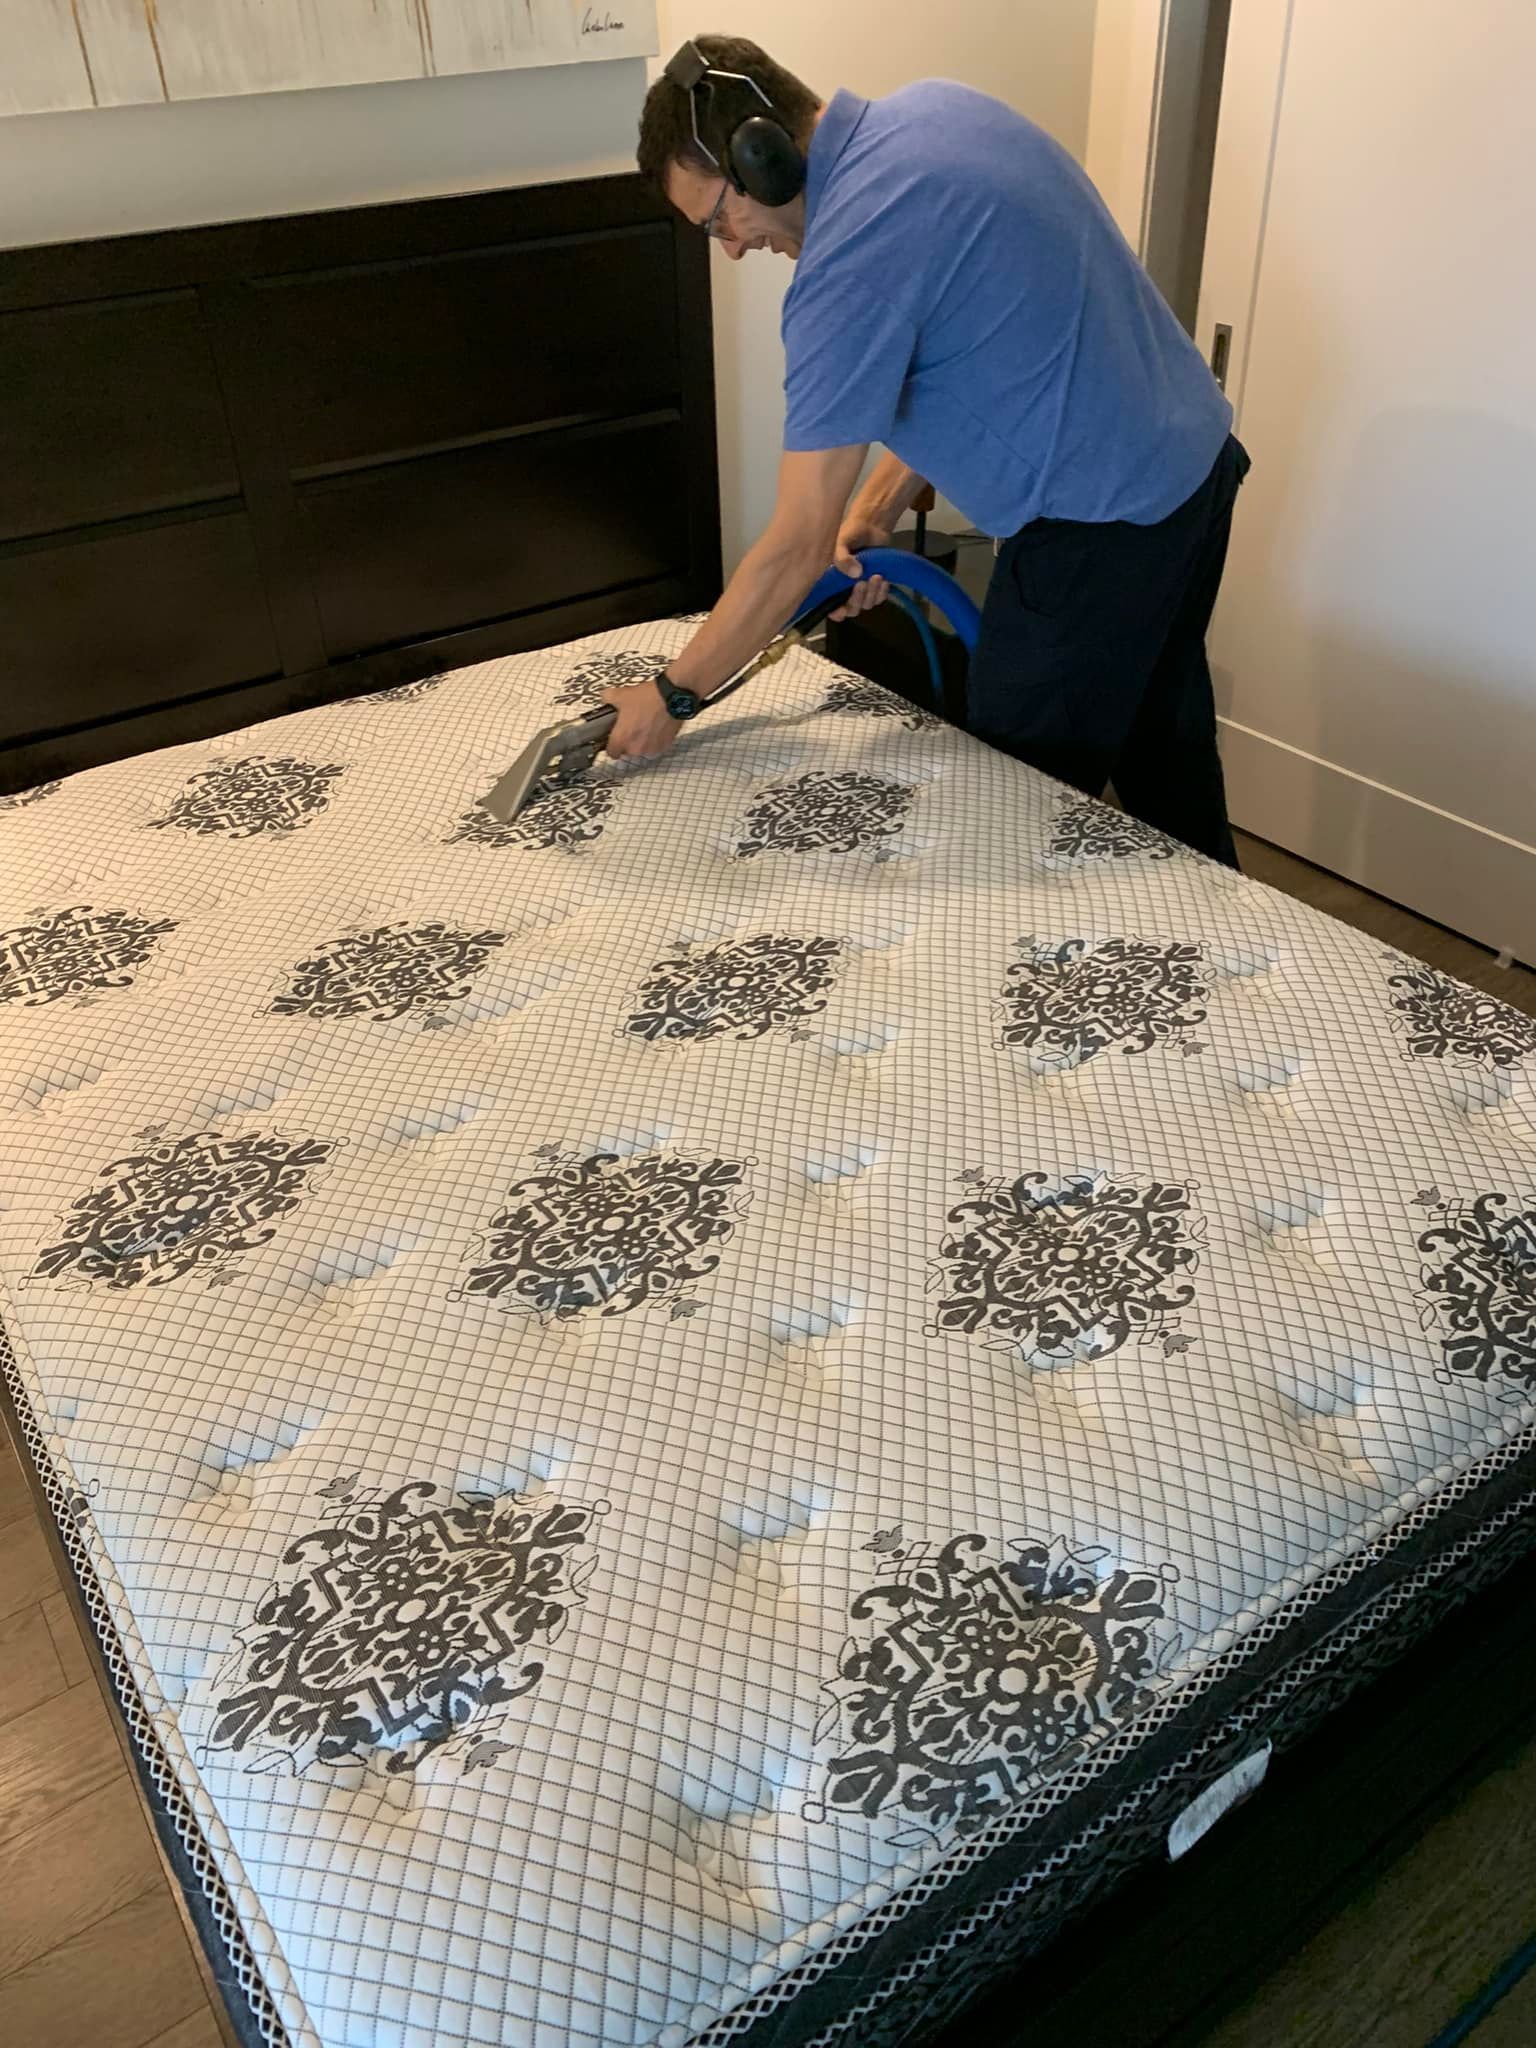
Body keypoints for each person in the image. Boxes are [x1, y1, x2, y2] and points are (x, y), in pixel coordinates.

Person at [607, 34, 1248, 867]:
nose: (730, 245)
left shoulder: (847, 267)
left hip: (1101, 530)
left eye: (719, 215)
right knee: (1167, 760)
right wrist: (870, 512)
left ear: (762, 157)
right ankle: (1235, 960)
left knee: (1009, 821)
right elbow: (978, 356)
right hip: (1196, 469)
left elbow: (798, 541)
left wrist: (672, 694)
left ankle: (1008, 984)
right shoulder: (939, 112)